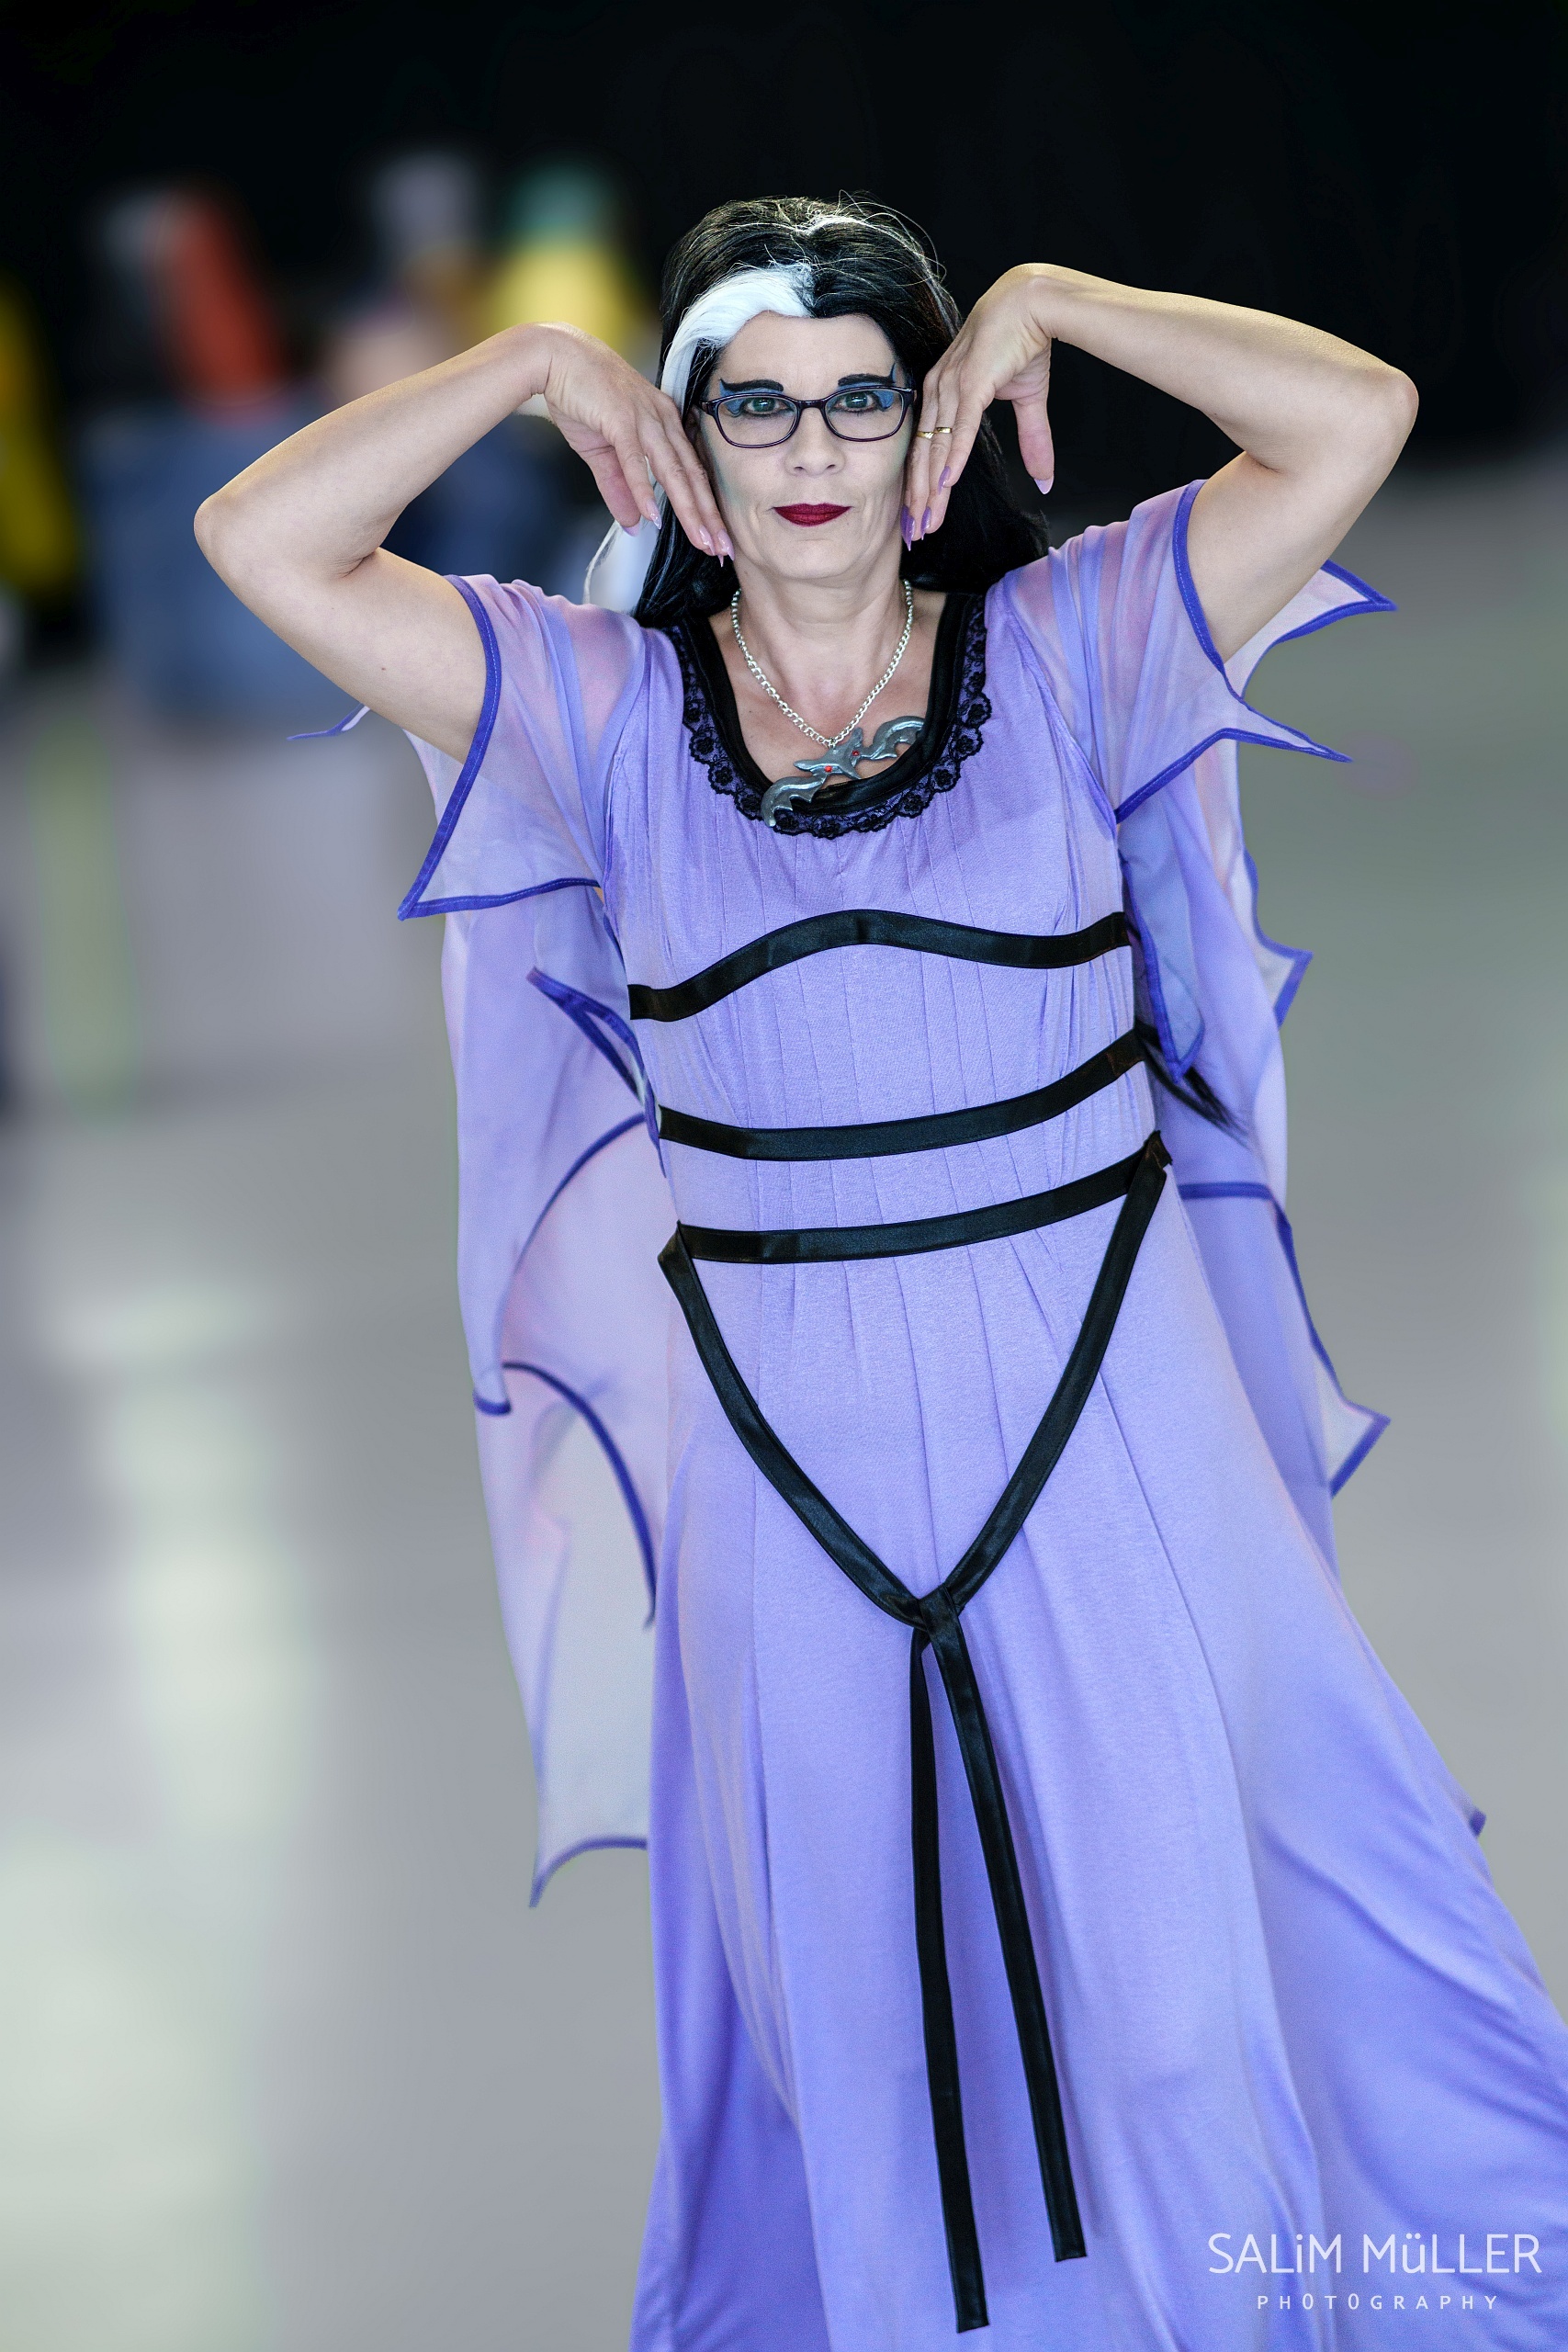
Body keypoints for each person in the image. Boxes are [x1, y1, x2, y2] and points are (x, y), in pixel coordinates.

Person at [196, 196, 1568, 2351]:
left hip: (1107, 1450)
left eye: (862, 397)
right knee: (872, 2064)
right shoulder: (596, 709)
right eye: (754, 404)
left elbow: (1352, 419)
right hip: (791, 1505)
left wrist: (1059, 302)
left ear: (932, 428)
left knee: (1177, 2035)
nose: (813, 448)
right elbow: (261, 542)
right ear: (686, 438)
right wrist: (526, 367)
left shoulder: (1076, 644)